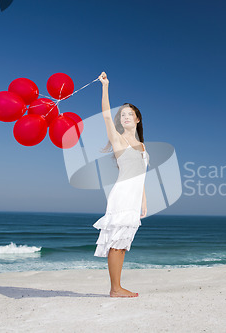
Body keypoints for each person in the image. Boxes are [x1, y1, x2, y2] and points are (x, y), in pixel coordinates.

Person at [93, 71, 149, 298]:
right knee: (117, 242)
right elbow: (106, 115)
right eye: (122, 114)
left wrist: (144, 201)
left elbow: (141, 175)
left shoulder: (143, 146)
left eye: (130, 114)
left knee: (123, 242)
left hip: (135, 198)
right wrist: (105, 86)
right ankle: (115, 288)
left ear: (137, 119)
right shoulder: (118, 139)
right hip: (122, 195)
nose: (125, 117)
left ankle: (117, 286)